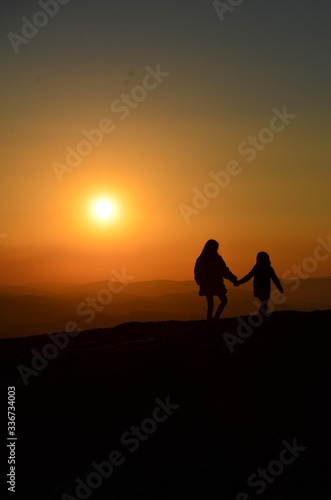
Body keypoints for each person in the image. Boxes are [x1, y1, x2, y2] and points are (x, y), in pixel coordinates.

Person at [194, 239, 237, 322]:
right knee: (223, 301)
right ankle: (215, 318)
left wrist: (199, 281)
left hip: (207, 284)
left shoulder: (202, 258)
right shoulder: (216, 259)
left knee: (211, 305)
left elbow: (197, 271)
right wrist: (233, 279)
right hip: (215, 283)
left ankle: (210, 320)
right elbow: (225, 270)